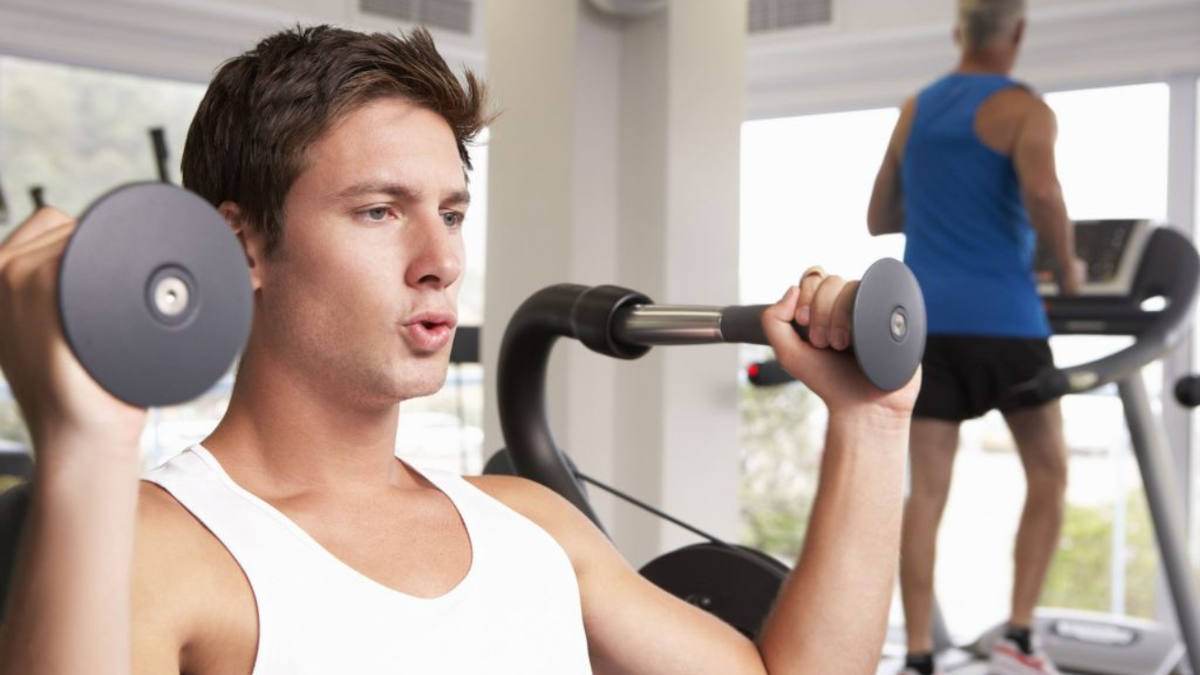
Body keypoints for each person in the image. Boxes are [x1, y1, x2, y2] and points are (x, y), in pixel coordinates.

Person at [0, 25, 917, 674]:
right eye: (379, 211)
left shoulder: (533, 524)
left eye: (450, 212)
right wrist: (86, 443)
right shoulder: (162, 548)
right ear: (241, 245)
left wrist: (871, 422)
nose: (440, 260)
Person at [867, 1, 1086, 674]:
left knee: (926, 491)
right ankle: (1018, 635)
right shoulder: (1026, 109)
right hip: (1005, 322)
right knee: (1048, 471)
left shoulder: (915, 109)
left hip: (926, 322)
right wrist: (1069, 268)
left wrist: (943, 208)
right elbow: (1042, 192)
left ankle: (920, 654)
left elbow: (879, 216)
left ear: (958, 31)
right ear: (1016, 33)